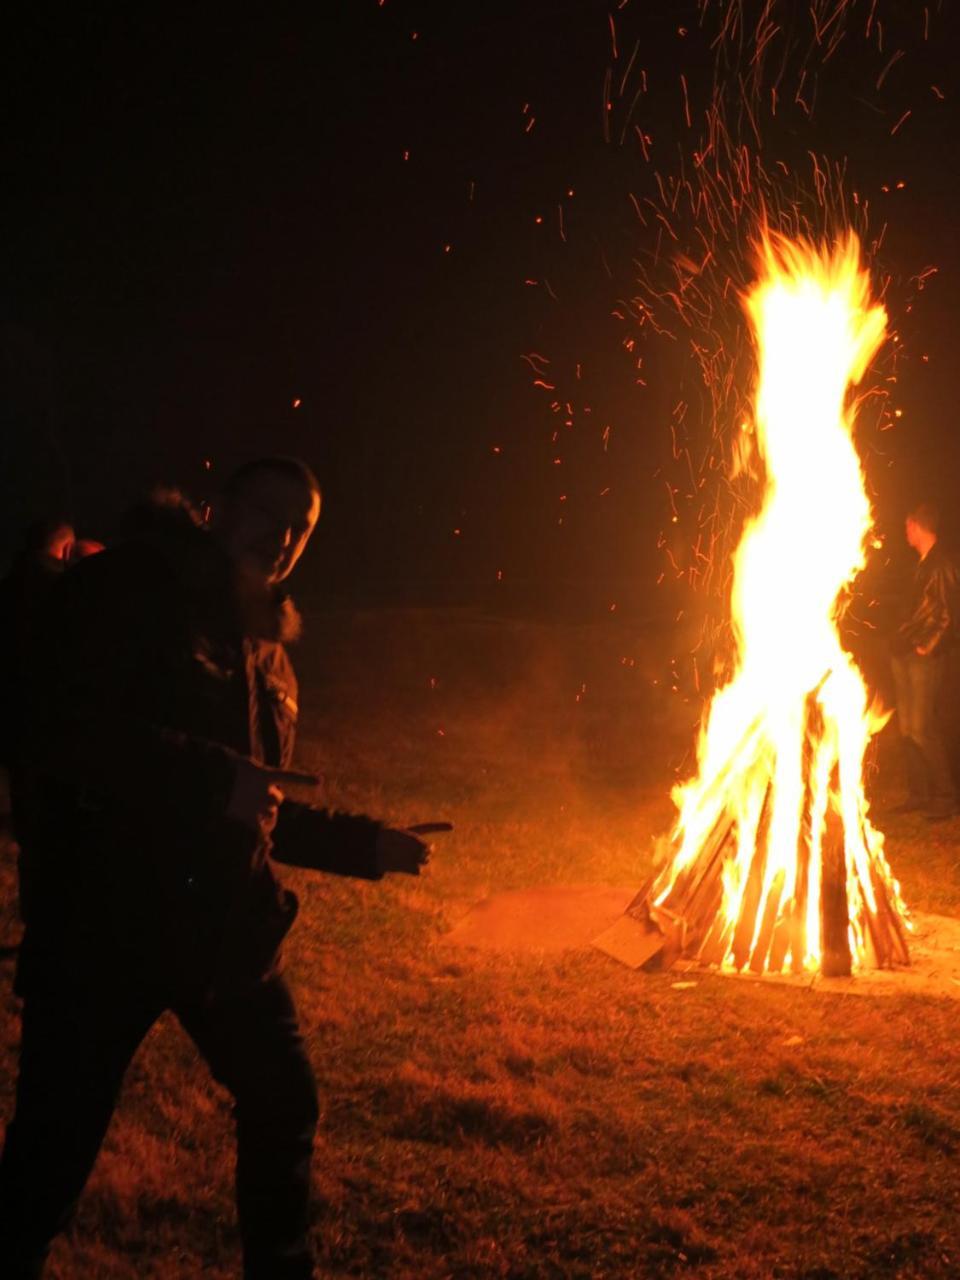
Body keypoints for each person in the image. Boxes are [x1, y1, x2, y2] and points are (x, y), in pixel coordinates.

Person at [0, 458, 447, 1279]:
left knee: (284, 1103)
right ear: (217, 507)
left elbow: (258, 803)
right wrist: (216, 782)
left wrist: (365, 846)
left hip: (223, 934)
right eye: (267, 513)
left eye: (299, 529)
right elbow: (68, 737)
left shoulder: (269, 653)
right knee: (50, 1155)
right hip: (106, 928)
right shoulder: (133, 592)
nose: (278, 539)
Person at [889, 502, 959, 821]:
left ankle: (945, 796)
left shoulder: (941, 564)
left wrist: (927, 647)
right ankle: (919, 793)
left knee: (921, 728)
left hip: (923, 657)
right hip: (905, 653)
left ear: (919, 526)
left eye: (908, 526)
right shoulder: (920, 564)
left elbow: (948, 614)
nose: (905, 532)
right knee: (906, 730)